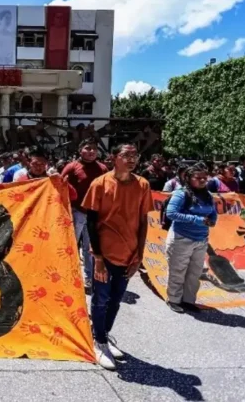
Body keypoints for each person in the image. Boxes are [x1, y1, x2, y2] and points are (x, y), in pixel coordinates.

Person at [81, 143, 154, 371]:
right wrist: (98, 258)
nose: (132, 159)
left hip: (129, 254)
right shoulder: (99, 184)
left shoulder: (143, 185)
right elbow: (91, 223)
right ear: (114, 158)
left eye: (135, 155)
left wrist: (139, 255)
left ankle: (104, 334)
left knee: (116, 299)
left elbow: (143, 222)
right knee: (101, 299)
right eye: (126, 155)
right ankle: (99, 341)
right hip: (104, 254)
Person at [164, 164, 217, 314]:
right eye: (198, 178)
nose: (202, 180)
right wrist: (197, 219)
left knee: (195, 273)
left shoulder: (208, 195)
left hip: (201, 240)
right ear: (188, 178)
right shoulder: (181, 194)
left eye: (205, 178)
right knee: (178, 271)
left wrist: (213, 220)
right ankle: (174, 300)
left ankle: (188, 300)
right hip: (181, 238)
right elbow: (171, 213)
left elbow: (212, 212)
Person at [61, 139, 108, 288]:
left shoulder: (103, 168)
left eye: (94, 149)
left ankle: (89, 278)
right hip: (76, 212)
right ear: (80, 150)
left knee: (90, 248)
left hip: (94, 214)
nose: (91, 151)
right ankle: (67, 276)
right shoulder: (71, 167)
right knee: (70, 246)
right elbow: (60, 186)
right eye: (88, 148)